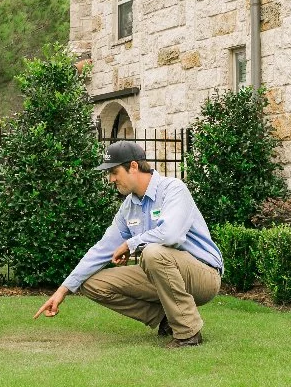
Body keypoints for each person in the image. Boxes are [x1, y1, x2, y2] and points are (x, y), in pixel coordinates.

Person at [34, 141, 224, 348]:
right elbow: (102, 248)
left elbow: (171, 236)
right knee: (92, 283)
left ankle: (188, 333)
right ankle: (166, 318)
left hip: (204, 275)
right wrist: (62, 291)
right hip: (163, 273)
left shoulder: (173, 189)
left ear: (133, 166)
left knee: (152, 253)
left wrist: (131, 243)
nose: (110, 179)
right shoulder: (129, 207)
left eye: (114, 172)